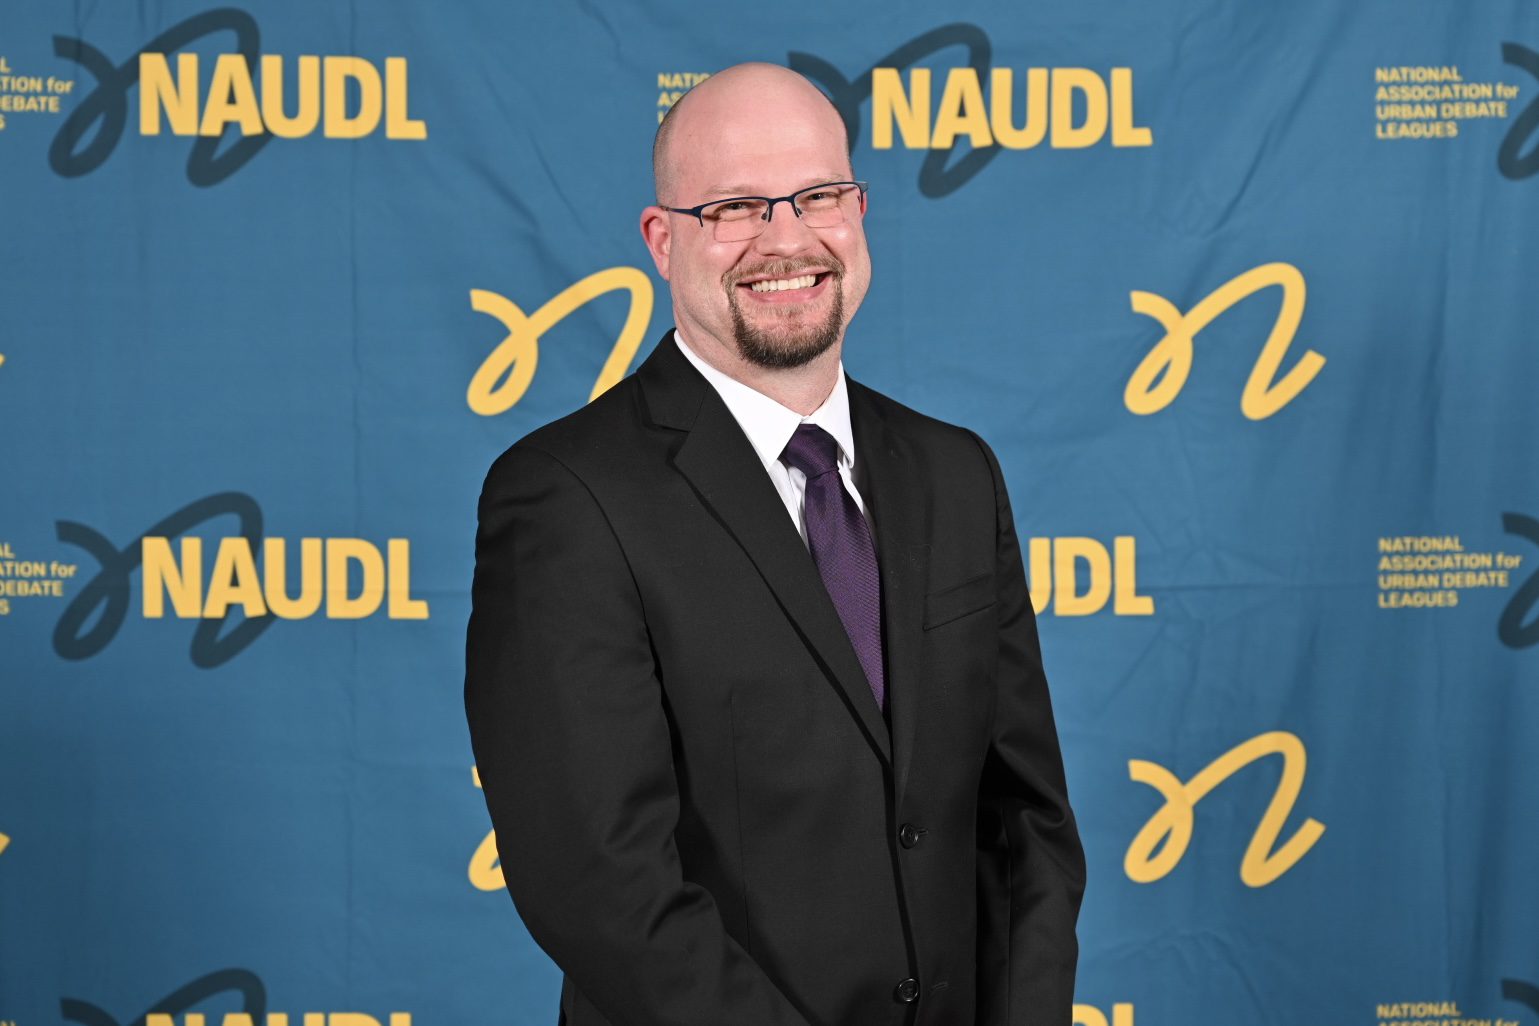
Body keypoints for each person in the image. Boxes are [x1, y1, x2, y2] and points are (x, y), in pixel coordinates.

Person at [465, 62, 1084, 1026]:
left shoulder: (956, 474)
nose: (787, 238)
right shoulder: (565, 498)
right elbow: (601, 887)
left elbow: (1024, 825)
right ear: (662, 241)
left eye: (819, 196)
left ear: (859, 210)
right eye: (737, 207)